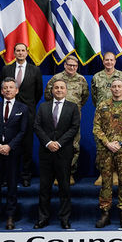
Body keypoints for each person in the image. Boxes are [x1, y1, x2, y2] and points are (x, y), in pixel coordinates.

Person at [0, 77, 30, 230]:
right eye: (6, 88)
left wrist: (9, 146)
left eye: (11, 87)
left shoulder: (22, 108)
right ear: (1, 90)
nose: (8, 90)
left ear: (16, 90)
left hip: (13, 153)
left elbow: (23, 131)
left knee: (12, 186)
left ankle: (11, 216)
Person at [34, 79, 79, 230]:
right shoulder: (43, 106)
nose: (59, 90)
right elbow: (37, 126)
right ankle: (43, 218)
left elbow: (74, 128)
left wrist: (58, 143)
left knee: (64, 188)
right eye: (56, 88)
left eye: (62, 88)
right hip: (46, 152)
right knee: (44, 188)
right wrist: (48, 143)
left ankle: (64, 219)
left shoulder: (73, 107)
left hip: (63, 153)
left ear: (66, 90)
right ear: (52, 91)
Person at [93, 79, 122, 228]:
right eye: (114, 86)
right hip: (105, 151)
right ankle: (105, 213)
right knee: (106, 183)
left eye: (119, 86)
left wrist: (120, 143)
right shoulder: (103, 105)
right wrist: (107, 143)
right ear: (110, 89)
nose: (117, 89)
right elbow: (96, 128)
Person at [5, 44, 41, 184]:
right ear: (14, 53)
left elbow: (38, 92)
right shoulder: (6, 69)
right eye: (17, 50)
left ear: (27, 53)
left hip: (28, 113)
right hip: (9, 112)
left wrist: (29, 106)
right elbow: (3, 91)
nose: (20, 53)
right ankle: (9, 176)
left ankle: (26, 176)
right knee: (9, 144)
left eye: (23, 50)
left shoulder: (35, 70)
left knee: (27, 146)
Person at [49, 54, 89, 180]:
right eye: (70, 65)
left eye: (75, 66)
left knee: (74, 145)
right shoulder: (57, 78)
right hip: (57, 117)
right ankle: (57, 174)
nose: (72, 67)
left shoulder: (81, 79)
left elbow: (85, 97)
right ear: (65, 65)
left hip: (74, 117)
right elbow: (48, 95)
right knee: (57, 143)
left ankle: (69, 173)